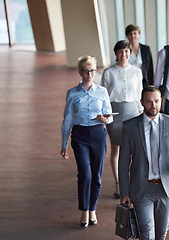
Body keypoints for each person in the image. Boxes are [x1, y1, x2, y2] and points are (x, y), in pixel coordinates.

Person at [119, 86, 169, 240]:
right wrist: (124, 191)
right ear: (142, 103)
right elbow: (123, 161)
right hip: (141, 188)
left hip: (167, 188)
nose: (153, 105)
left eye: (157, 101)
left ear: (161, 101)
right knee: (146, 234)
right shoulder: (130, 126)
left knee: (161, 233)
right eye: (149, 101)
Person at [60, 56, 112, 227]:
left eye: (92, 71)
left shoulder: (102, 91)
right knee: (85, 174)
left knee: (96, 175)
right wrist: (64, 144)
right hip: (80, 135)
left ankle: (92, 209)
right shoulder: (72, 93)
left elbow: (109, 117)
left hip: (98, 134)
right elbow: (67, 119)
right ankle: (84, 210)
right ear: (80, 72)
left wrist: (104, 119)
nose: (89, 74)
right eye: (86, 71)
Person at [101, 40, 143, 199]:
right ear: (116, 53)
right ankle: (118, 182)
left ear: (130, 52)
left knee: (133, 151)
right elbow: (104, 95)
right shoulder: (108, 72)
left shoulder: (137, 72)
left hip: (133, 112)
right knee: (116, 148)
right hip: (115, 113)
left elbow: (139, 94)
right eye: (120, 51)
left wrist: (141, 112)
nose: (124, 54)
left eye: (126, 51)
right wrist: (105, 114)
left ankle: (131, 182)